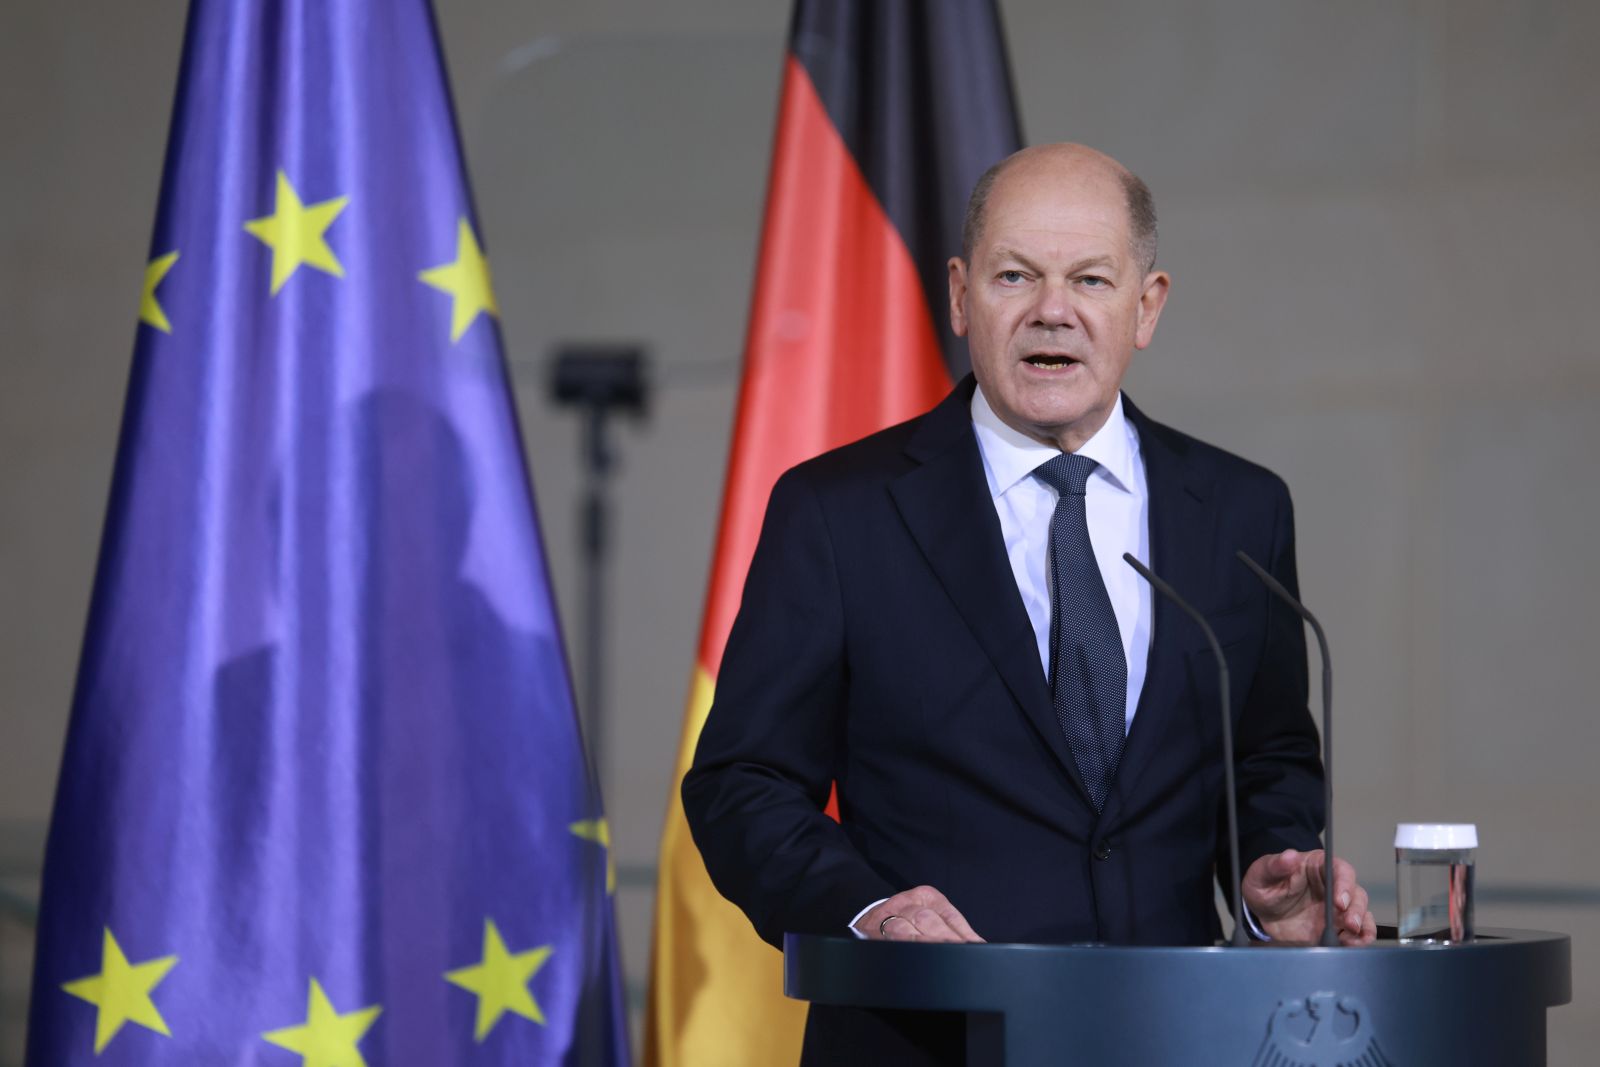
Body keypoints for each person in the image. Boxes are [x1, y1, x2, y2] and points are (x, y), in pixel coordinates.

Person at [681, 143, 1376, 1064]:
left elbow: (1270, 753)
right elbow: (742, 782)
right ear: (963, 297)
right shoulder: (838, 511)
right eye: (1018, 275)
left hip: (1176, 1034)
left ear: (1147, 305)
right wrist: (866, 907)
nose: (1054, 310)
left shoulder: (1241, 509)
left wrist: (1269, 877)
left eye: (1091, 278)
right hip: (924, 1036)